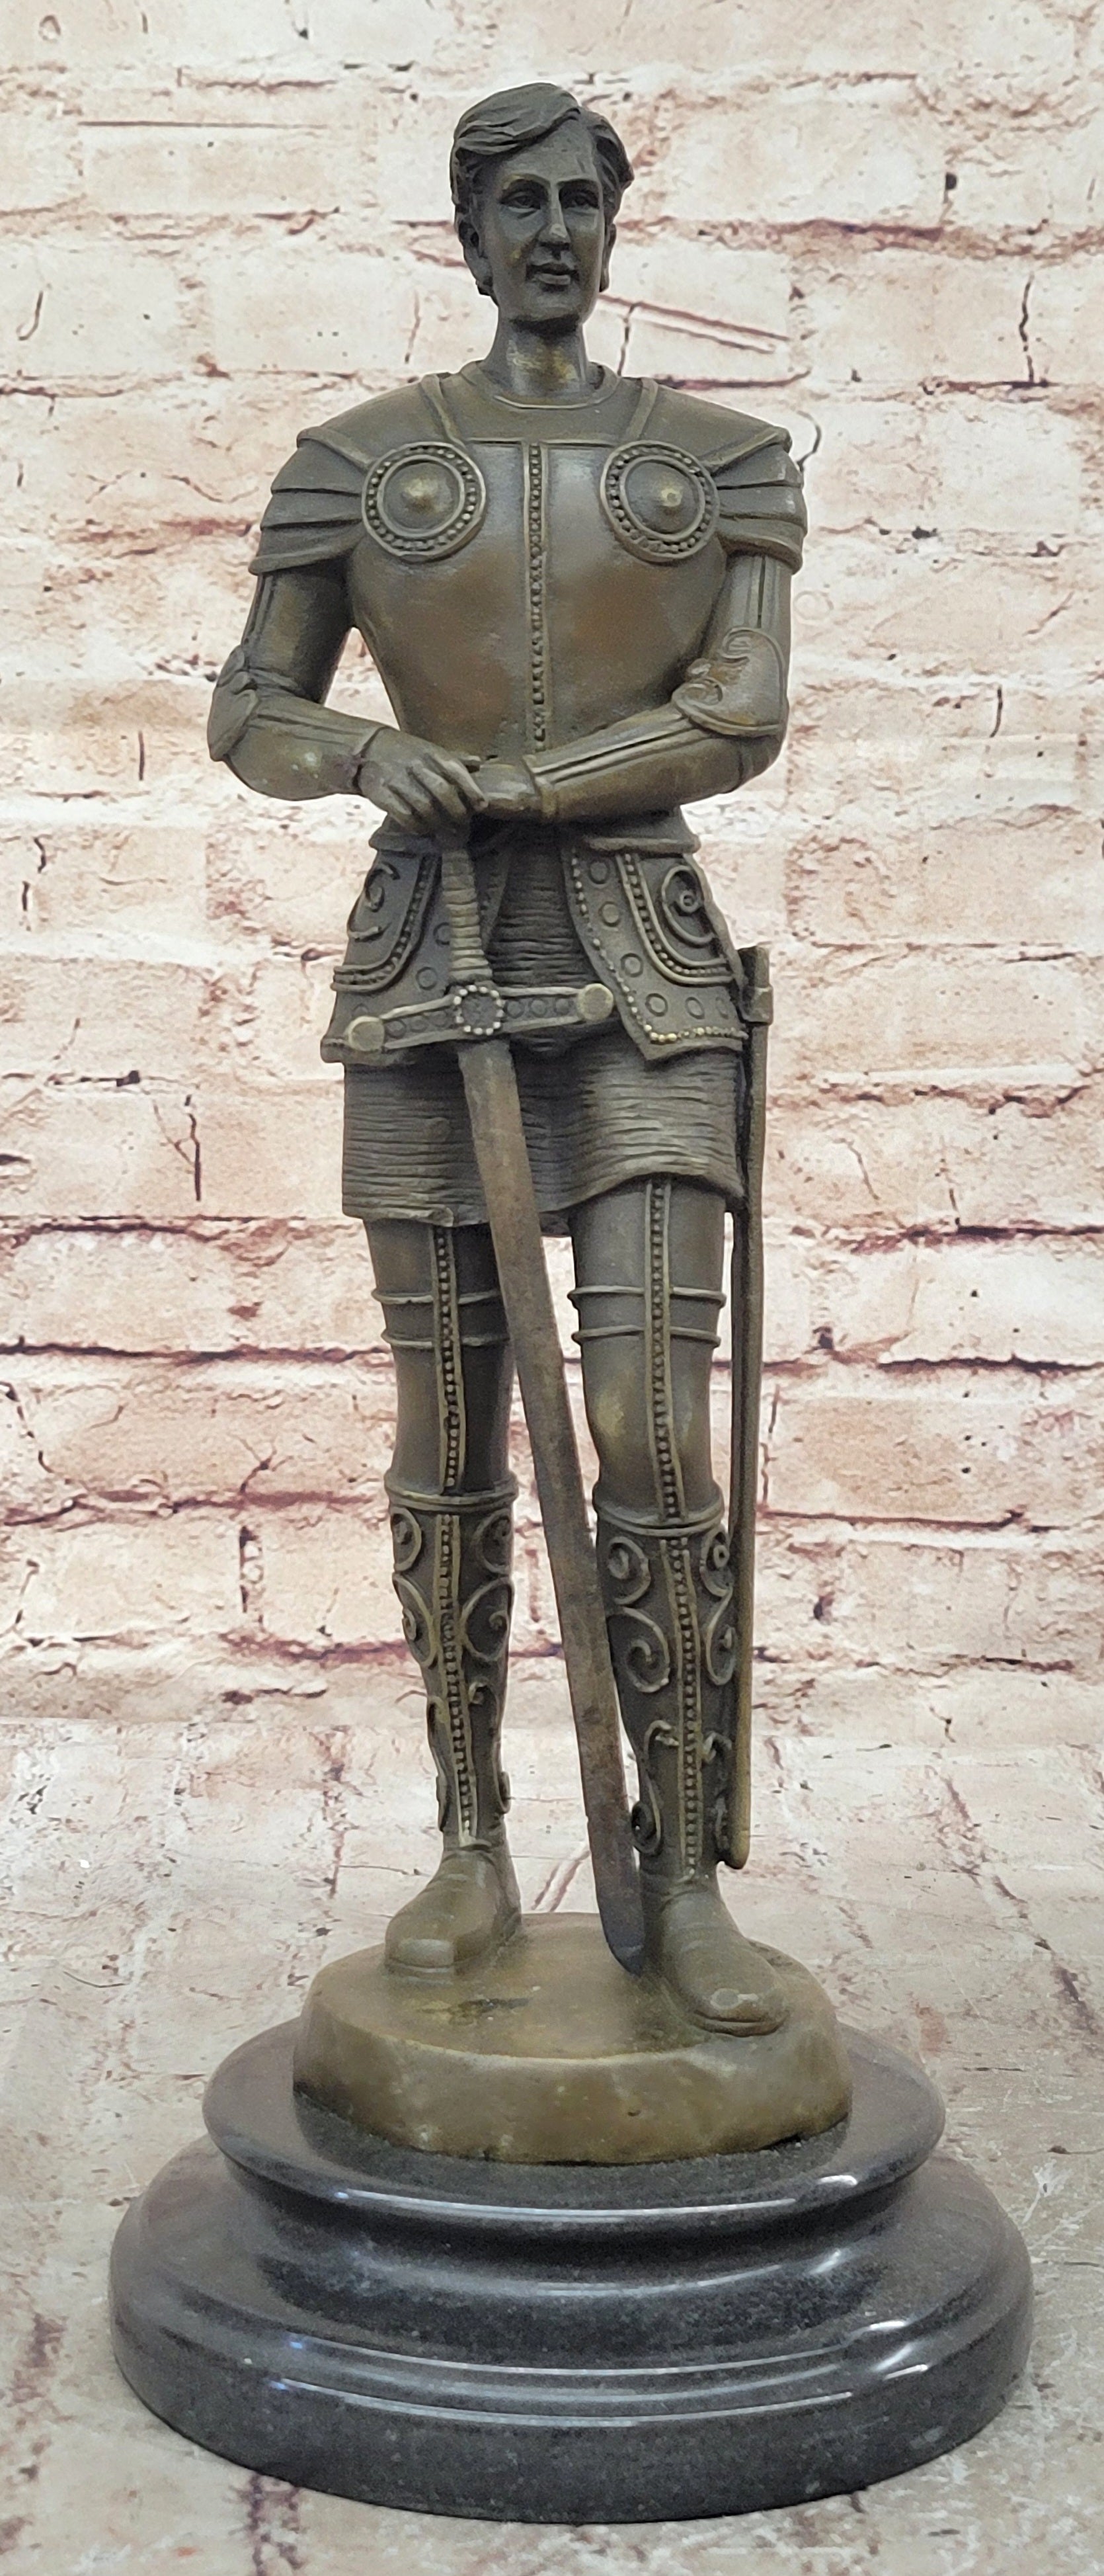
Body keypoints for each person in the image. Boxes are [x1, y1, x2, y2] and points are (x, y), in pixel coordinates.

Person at [209, 81, 806, 2034]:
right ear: (466, 231)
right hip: (431, 958)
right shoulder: (356, 465)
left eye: (581, 199)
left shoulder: (722, 463)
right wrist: (372, 752)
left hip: (642, 960)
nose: (554, 230)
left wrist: (529, 782)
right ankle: (470, 1842)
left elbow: (739, 710)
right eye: (519, 201)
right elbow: (253, 703)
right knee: (446, 1433)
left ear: (615, 226)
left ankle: (684, 1866)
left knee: (652, 1429)